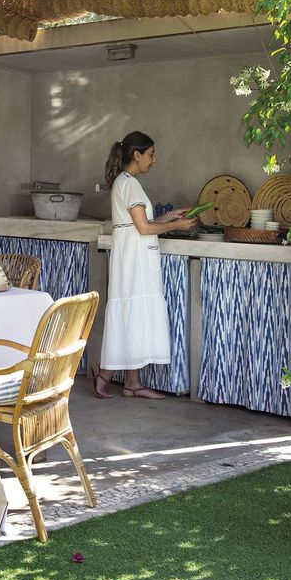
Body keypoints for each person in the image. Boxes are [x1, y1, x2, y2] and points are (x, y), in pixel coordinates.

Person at [94, 131, 197, 400]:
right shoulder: (129, 184)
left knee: (134, 314)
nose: (154, 159)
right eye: (151, 154)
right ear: (136, 155)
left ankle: (132, 383)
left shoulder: (127, 182)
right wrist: (177, 225)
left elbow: (138, 223)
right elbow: (142, 227)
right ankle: (104, 376)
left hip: (133, 255)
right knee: (132, 311)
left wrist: (168, 215)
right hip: (133, 258)